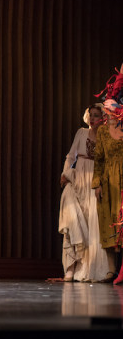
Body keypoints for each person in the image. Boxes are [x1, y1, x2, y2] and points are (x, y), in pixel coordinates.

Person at [58, 104, 109, 282]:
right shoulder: (81, 133)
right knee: (73, 218)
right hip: (78, 178)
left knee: (91, 223)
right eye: (92, 115)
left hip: (94, 181)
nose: (94, 118)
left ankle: (89, 267)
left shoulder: (105, 136)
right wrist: (65, 173)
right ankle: (71, 267)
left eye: (97, 115)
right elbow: (71, 156)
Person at [94, 64, 123, 284]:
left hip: (122, 179)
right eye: (106, 110)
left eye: (111, 109)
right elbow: (99, 159)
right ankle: (111, 270)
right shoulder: (103, 131)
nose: (108, 113)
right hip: (108, 181)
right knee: (107, 222)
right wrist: (97, 184)